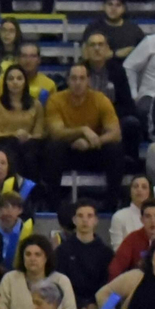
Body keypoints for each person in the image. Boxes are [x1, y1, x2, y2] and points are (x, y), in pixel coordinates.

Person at [43, 62, 126, 208]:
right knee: (53, 147)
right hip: (68, 151)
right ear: (67, 80)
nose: (78, 83)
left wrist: (93, 141)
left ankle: (111, 204)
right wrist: (82, 130)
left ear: (89, 81)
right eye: (74, 78)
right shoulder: (56, 100)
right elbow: (56, 133)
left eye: (82, 78)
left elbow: (115, 133)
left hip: (93, 151)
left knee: (115, 149)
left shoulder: (100, 99)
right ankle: (53, 203)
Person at [83, 0, 147, 60]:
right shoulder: (93, 27)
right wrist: (115, 54)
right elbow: (86, 55)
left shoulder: (134, 30)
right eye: (110, 4)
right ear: (103, 7)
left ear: (124, 9)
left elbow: (145, 52)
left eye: (118, 5)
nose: (113, 8)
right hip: (100, 69)